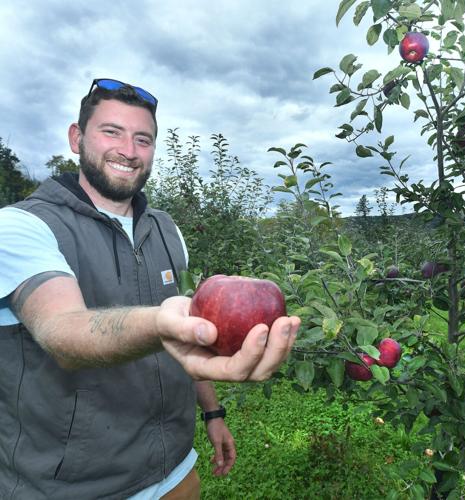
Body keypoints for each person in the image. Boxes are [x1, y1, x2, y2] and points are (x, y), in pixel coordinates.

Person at [0, 78, 300, 500]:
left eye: (143, 139)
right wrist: (160, 324)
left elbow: (192, 332)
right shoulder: (21, 226)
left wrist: (213, 412)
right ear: (76, 137)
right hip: (73, 488)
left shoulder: (166, 230)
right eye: (111, 132)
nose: (128, 150)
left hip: (175, 469)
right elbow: (62, 331)